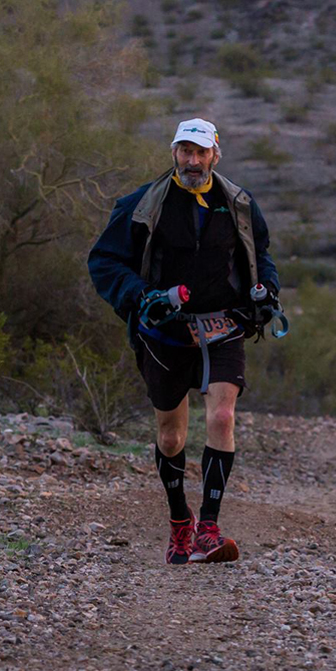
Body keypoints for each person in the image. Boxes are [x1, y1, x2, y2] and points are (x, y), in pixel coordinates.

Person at [88, 118, 281, 565]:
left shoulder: (238, 202)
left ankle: (209, 529)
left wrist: (266, 291)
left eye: (201, 152)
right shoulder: (143, 204)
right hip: (165, 333)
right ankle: (180, 522)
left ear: (215, 154)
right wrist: (141, 296)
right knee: (171, 436)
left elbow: (261, 254)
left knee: (223, 417)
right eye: (185, 151)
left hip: (224, 326)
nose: (193, 161)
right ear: (174, 153)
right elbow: (104, 261)